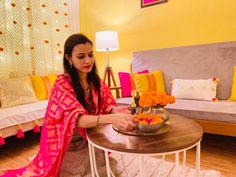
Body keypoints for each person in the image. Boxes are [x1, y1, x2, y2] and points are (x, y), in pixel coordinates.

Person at [0, 33, 137, 177]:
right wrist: (112, 118)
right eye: (81, 56)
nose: (87, 60)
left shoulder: (95, 80)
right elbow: (77, 119)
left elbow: (105, 105)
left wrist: (115, 110)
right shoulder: (62, 83)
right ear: (68, 58)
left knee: (106, 170)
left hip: (90, 139)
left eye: (90, 55)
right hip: (68, 144)